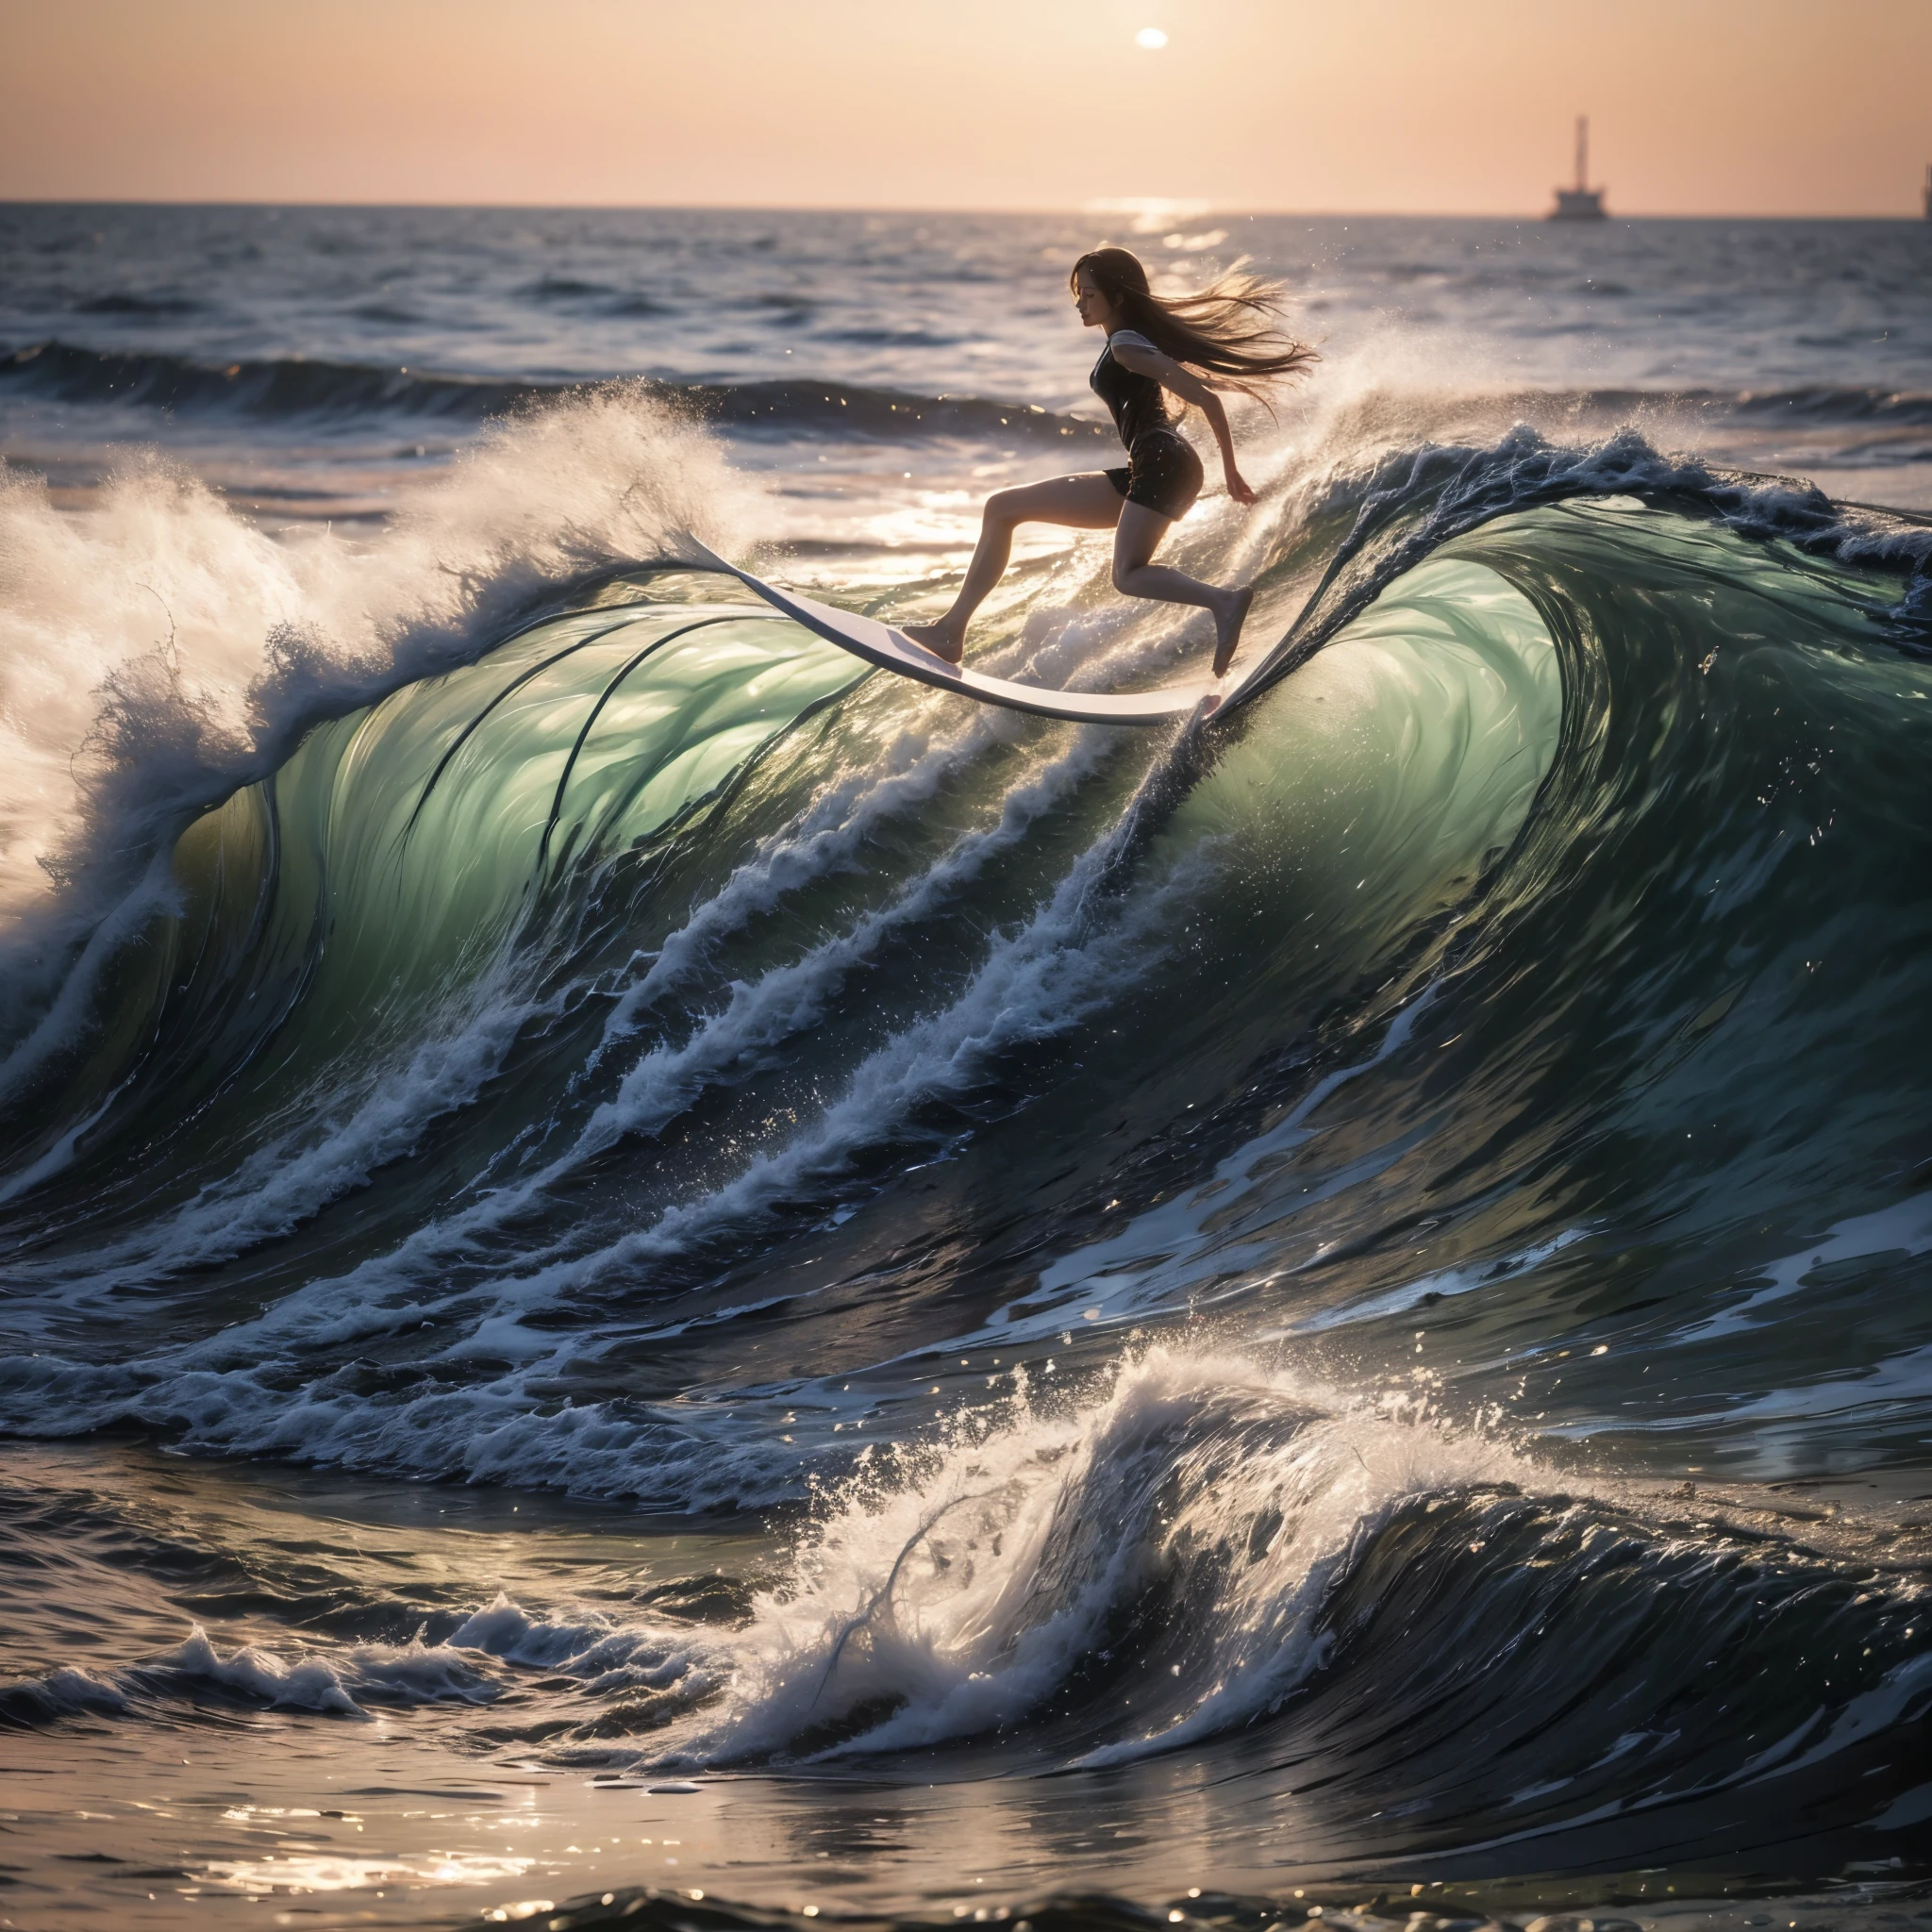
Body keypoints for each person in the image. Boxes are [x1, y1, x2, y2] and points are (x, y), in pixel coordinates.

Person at [903, 245, 1316, 679]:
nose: (1080, 304)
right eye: (1078, 295)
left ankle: (1224, 601)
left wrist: (1231, 471)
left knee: (1127, 574)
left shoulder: (1124, 345)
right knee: (1003, 508)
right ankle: (950, 632)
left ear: (1118, 298)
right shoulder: (1128, 340)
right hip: (1152, 464)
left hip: (1163, 462)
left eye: (1089, 295)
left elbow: (1208, 399)